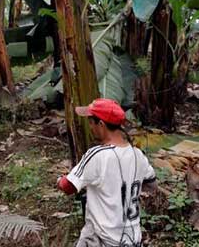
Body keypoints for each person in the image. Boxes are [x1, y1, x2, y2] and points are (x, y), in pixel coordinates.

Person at [56, 98, 156, 247]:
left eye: (91, 122)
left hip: (102, 239)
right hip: (132, 239)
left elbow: (67, 186)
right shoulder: (137, 155)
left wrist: (59, 180)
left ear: (101, 125)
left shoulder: (97, 155)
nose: (90, 127)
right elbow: (151, 184)